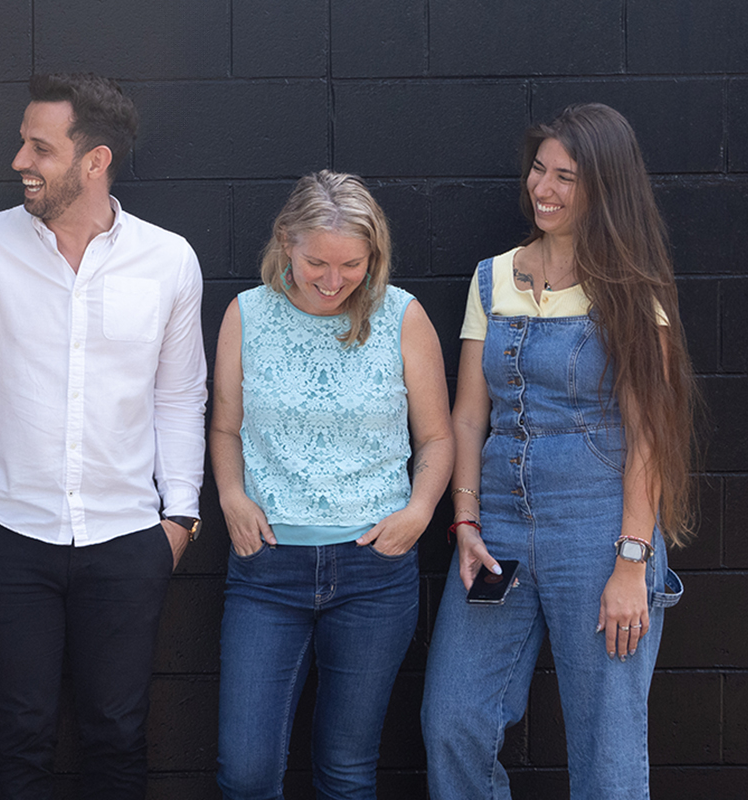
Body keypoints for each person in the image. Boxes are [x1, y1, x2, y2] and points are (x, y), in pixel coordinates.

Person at [0, 72, 207, 799]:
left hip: (129, 536)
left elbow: (180, 395)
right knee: (20, 734)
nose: (19, 160)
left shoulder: (169, 261)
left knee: (118, 734)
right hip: (9, 534)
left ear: (94, 160)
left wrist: (181, 516)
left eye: (39, 147)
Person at [421, 103, 695, 799]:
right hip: (501, 533)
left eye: (566, 176)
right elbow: (467, 415)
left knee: (606, 743)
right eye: (540, 170)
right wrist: (465, 523)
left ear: (604, 186)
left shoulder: (632, 292)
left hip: (599, 533)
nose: (545, 188)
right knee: (454, 720)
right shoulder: (493, 279)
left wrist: (632, 560)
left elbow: (651, 435)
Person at [209, 171, 453, 799]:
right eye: (316, 260)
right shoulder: (247, 314)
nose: (331, 278)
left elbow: (437, 437)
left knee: (346, 771)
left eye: (352, 264)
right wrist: (233, 497)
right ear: (285, 241)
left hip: (375, 570)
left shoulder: (401, 315)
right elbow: (225, 429)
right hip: (267, 570)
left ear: (373, 257)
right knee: (246, 772)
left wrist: (420, 509)